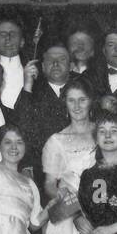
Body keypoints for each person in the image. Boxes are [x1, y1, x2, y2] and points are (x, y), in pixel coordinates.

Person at [38, 77, 97, 234]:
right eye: (71, 100)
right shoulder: (56, 140)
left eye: (82, 100)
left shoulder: (103, 132)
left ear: (91, 101)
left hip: (100, 209)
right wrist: (75, 213)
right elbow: (50, 186)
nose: (77, 106)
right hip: (68, 213)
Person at [13, 41, 73, 184]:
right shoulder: (31, 94)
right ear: (43, 67)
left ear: (71, 66)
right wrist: (27, 85)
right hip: (42, 174)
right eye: (50, 60)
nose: (56, 63)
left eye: (62, 59)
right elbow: (20, 128)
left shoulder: (83, 92)